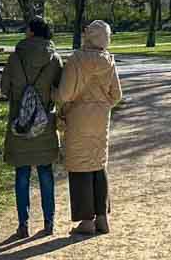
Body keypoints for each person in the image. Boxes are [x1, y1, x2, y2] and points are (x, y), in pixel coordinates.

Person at [56, 20, 123, 236]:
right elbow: (117, 95)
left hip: (78, 117)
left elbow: (65, 94)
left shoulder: (76, 60)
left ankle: (86, 221)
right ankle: (102, 218)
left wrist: (54, 97)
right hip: (101, 117)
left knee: (80, 167)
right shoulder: (108, 60)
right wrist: (102, 105)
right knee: (98, 163)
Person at [0, 18, 64, 240]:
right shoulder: (54, 59)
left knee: (22, 174)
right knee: (46, 172)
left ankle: (23, 224)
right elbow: (60, 91)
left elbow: (4, 89)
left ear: (30, 32)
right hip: (44, 123)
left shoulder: (15, 57)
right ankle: (49, 222)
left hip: (21, 123)